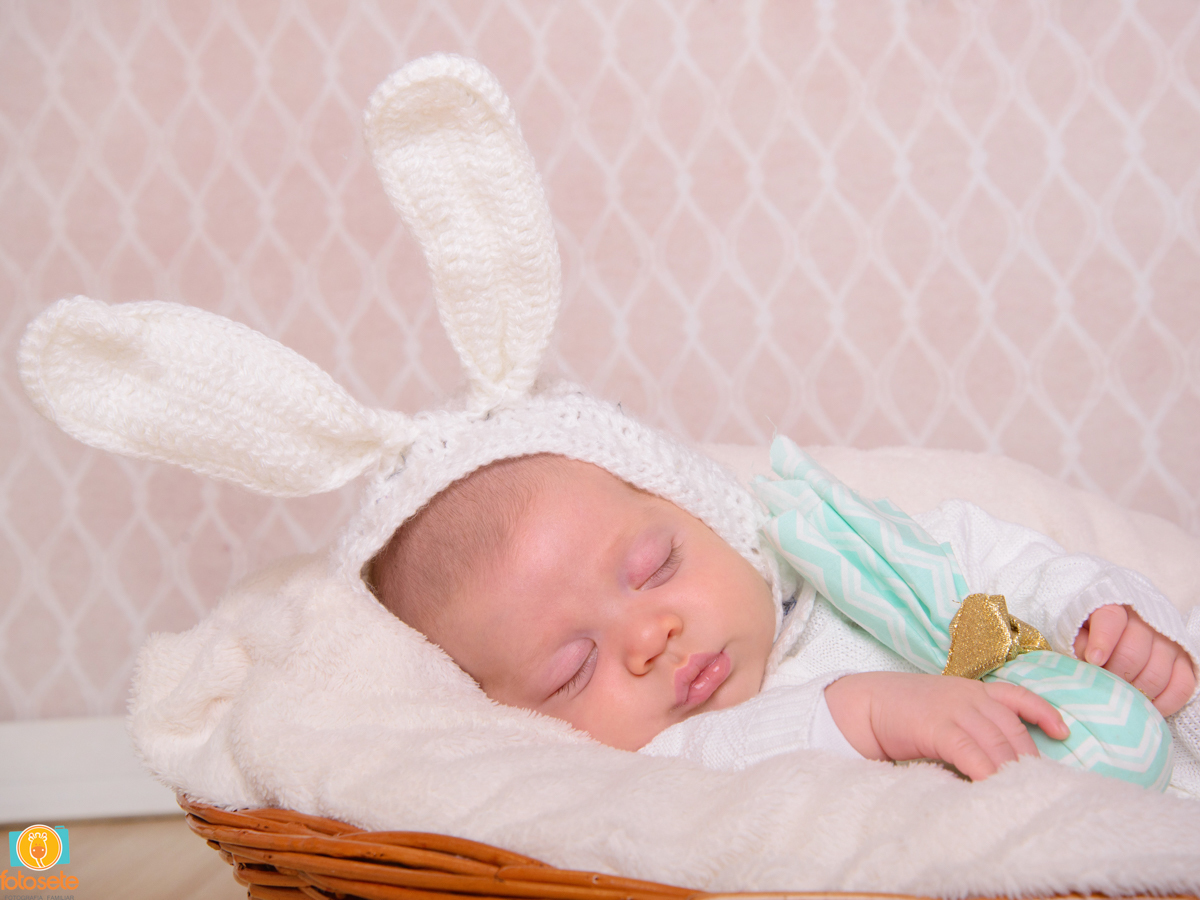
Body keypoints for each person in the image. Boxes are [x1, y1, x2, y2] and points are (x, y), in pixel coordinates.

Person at [368, 449, 1199, 788]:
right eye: (572, 669)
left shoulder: (856, 564)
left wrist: (1107, 619)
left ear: (709, 519)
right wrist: (865, 714)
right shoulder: (661, 757)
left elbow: (1013, 566)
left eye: (655, 569)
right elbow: (707, 780)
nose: (649, 637)